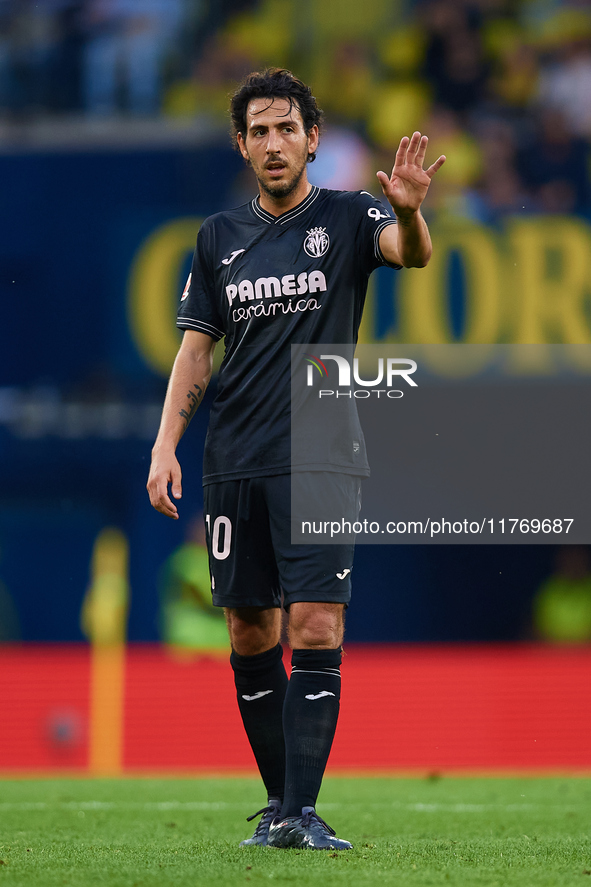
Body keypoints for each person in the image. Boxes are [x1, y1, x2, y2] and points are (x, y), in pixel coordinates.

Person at [147, 67, 444, 851]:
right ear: (242, 145)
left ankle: (302, 811)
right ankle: (281, 808)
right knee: (250, 630)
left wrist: (412, 216)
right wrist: (164, 445)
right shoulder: (217, 238)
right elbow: (194, 351)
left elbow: (406, 252)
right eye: (259, 131)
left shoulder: (348, 215)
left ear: (312, 139)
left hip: (321, 448)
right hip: (232, 454)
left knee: (314, 620)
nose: (274, 143)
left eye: (287, 128)